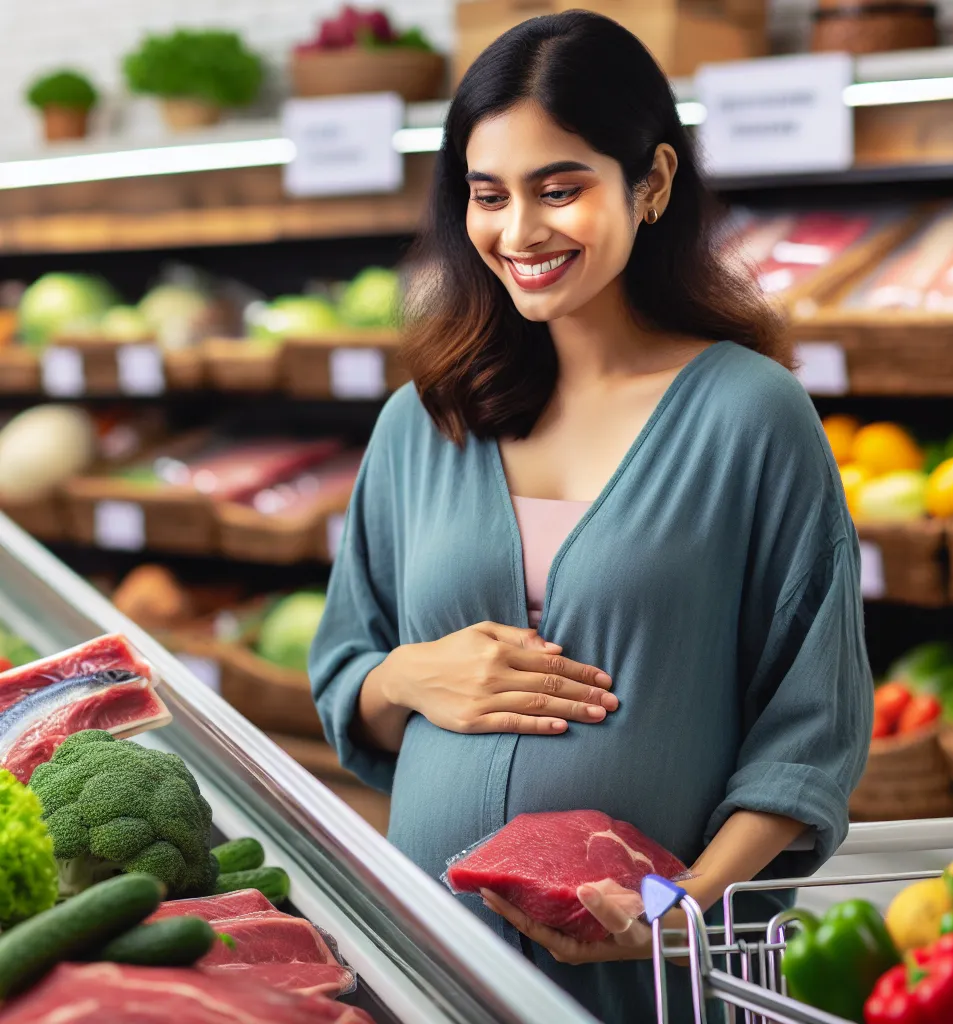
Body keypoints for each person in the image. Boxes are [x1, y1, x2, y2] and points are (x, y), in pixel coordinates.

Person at [310, 10, 873, 1023]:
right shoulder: (419, 422)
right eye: (488, 196)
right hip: (425, 962)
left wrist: (676, 912)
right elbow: (344, 676)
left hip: (643, 975)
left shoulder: (751, 415)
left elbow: (809, 727)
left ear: (650, 182)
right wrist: (405, 673)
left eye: (558, 188)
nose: (519, 232)